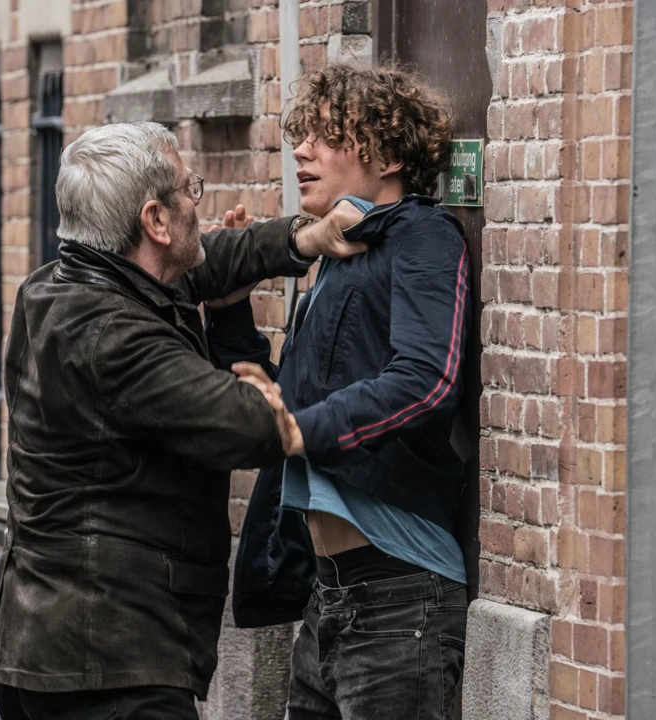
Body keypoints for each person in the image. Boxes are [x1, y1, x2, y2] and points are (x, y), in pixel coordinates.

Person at [0, 121, 364, 720]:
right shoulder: (112, 335)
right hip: (107, 662)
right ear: (156, 220)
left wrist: (307, 237)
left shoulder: (60, 287)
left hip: (53, 650)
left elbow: (205, 265)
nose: (199, 203)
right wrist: (260, 391)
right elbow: (248, 426)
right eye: (192, 191)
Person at [207, 63, 473, 720]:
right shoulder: (334, 255)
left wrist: (305, 429)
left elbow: (426, 380)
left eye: (327, 135)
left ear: (385, 155)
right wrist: (233, 307)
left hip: (399, 598)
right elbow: (277, 406)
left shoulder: (421, 236)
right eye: (303, 136)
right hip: (327, 599)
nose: (302, 150)